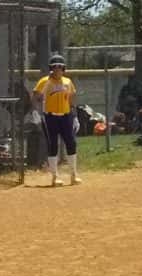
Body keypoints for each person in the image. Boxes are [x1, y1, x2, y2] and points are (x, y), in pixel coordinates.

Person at [32, 54, 79, 186]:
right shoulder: (45, 81)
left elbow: (71, 99)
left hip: (65, 116)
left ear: (63, 68)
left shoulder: (67, 82)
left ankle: (74, 174)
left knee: (71, 143)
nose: (57, 69)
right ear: (51, 69)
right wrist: (35, 112)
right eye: (54, 67)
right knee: (53, 145)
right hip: (50, 117)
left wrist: (75, 116)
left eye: (60, 67)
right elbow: (35, 97)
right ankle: (55, 176)